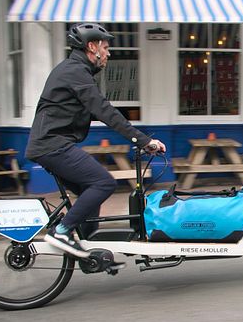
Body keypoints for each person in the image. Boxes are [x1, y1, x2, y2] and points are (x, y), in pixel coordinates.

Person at [25, 23, 166, 259]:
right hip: (52, 145)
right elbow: (103, 110)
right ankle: (62, 231)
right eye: (106, 47)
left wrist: (135, 135)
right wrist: (143, 140)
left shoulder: (75, 71)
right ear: (92, 47)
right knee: (103, 183)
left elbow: (91, 111)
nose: (109, 53)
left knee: (89, 191)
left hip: (50, 144)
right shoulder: (75, 72)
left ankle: (87, 252)